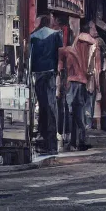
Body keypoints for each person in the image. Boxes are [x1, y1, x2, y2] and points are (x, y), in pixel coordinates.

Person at [59, 24, 100, 151]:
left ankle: (71, 142)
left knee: (71, 112)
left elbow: (64, 63)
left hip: (73, 82)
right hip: (82, 81)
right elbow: (91, 67)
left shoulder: (71, 49)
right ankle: (80, 141)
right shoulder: (91, 45)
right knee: (78, 113)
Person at [30, 15, 63, 155]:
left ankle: (42, 139)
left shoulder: (33, 36)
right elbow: (59, 56)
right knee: (51, 108)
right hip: (50, 73)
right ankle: (51, 143)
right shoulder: (56, 35)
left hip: (37, 73)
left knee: (42, 107)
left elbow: (30, 56)